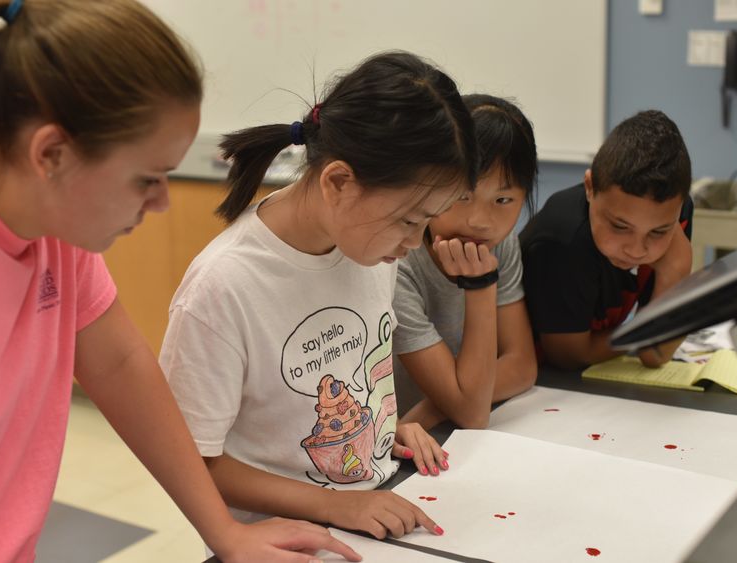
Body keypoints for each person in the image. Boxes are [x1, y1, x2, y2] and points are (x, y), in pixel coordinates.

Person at [0, 1, 361, 562]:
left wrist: (224, 533)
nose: (159, 202)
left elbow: (122, 367)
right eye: (146, 179)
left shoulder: (56, 233)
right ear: (52, 154)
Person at [160, 51, 478, 543]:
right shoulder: (223, 288)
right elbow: (192, 462)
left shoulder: (370, 249)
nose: (415, 244)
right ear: (338, 182)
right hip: (280, 540)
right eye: (408, 221)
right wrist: (337, 503)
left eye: (426, 222)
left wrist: (379, 430)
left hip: (367, 512)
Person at [393, 94, 539, 431]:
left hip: (433, 428)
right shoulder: (397, 258)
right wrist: (480, 284)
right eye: (462, 196)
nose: (480, 221)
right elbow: (473, 414)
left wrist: (438, 406)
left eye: (503, 199)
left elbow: (522, 365)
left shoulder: (499, 243)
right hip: (392, 449)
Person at [519, 110, 694, 370]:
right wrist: (644, 332)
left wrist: (675, 273)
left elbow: (654, 354)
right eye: (620, 226)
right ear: (590, 188)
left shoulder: (674, 215)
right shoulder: (561, 240)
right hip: (541, 383)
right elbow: (568, 357)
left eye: (658, 232)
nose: (636, 250)